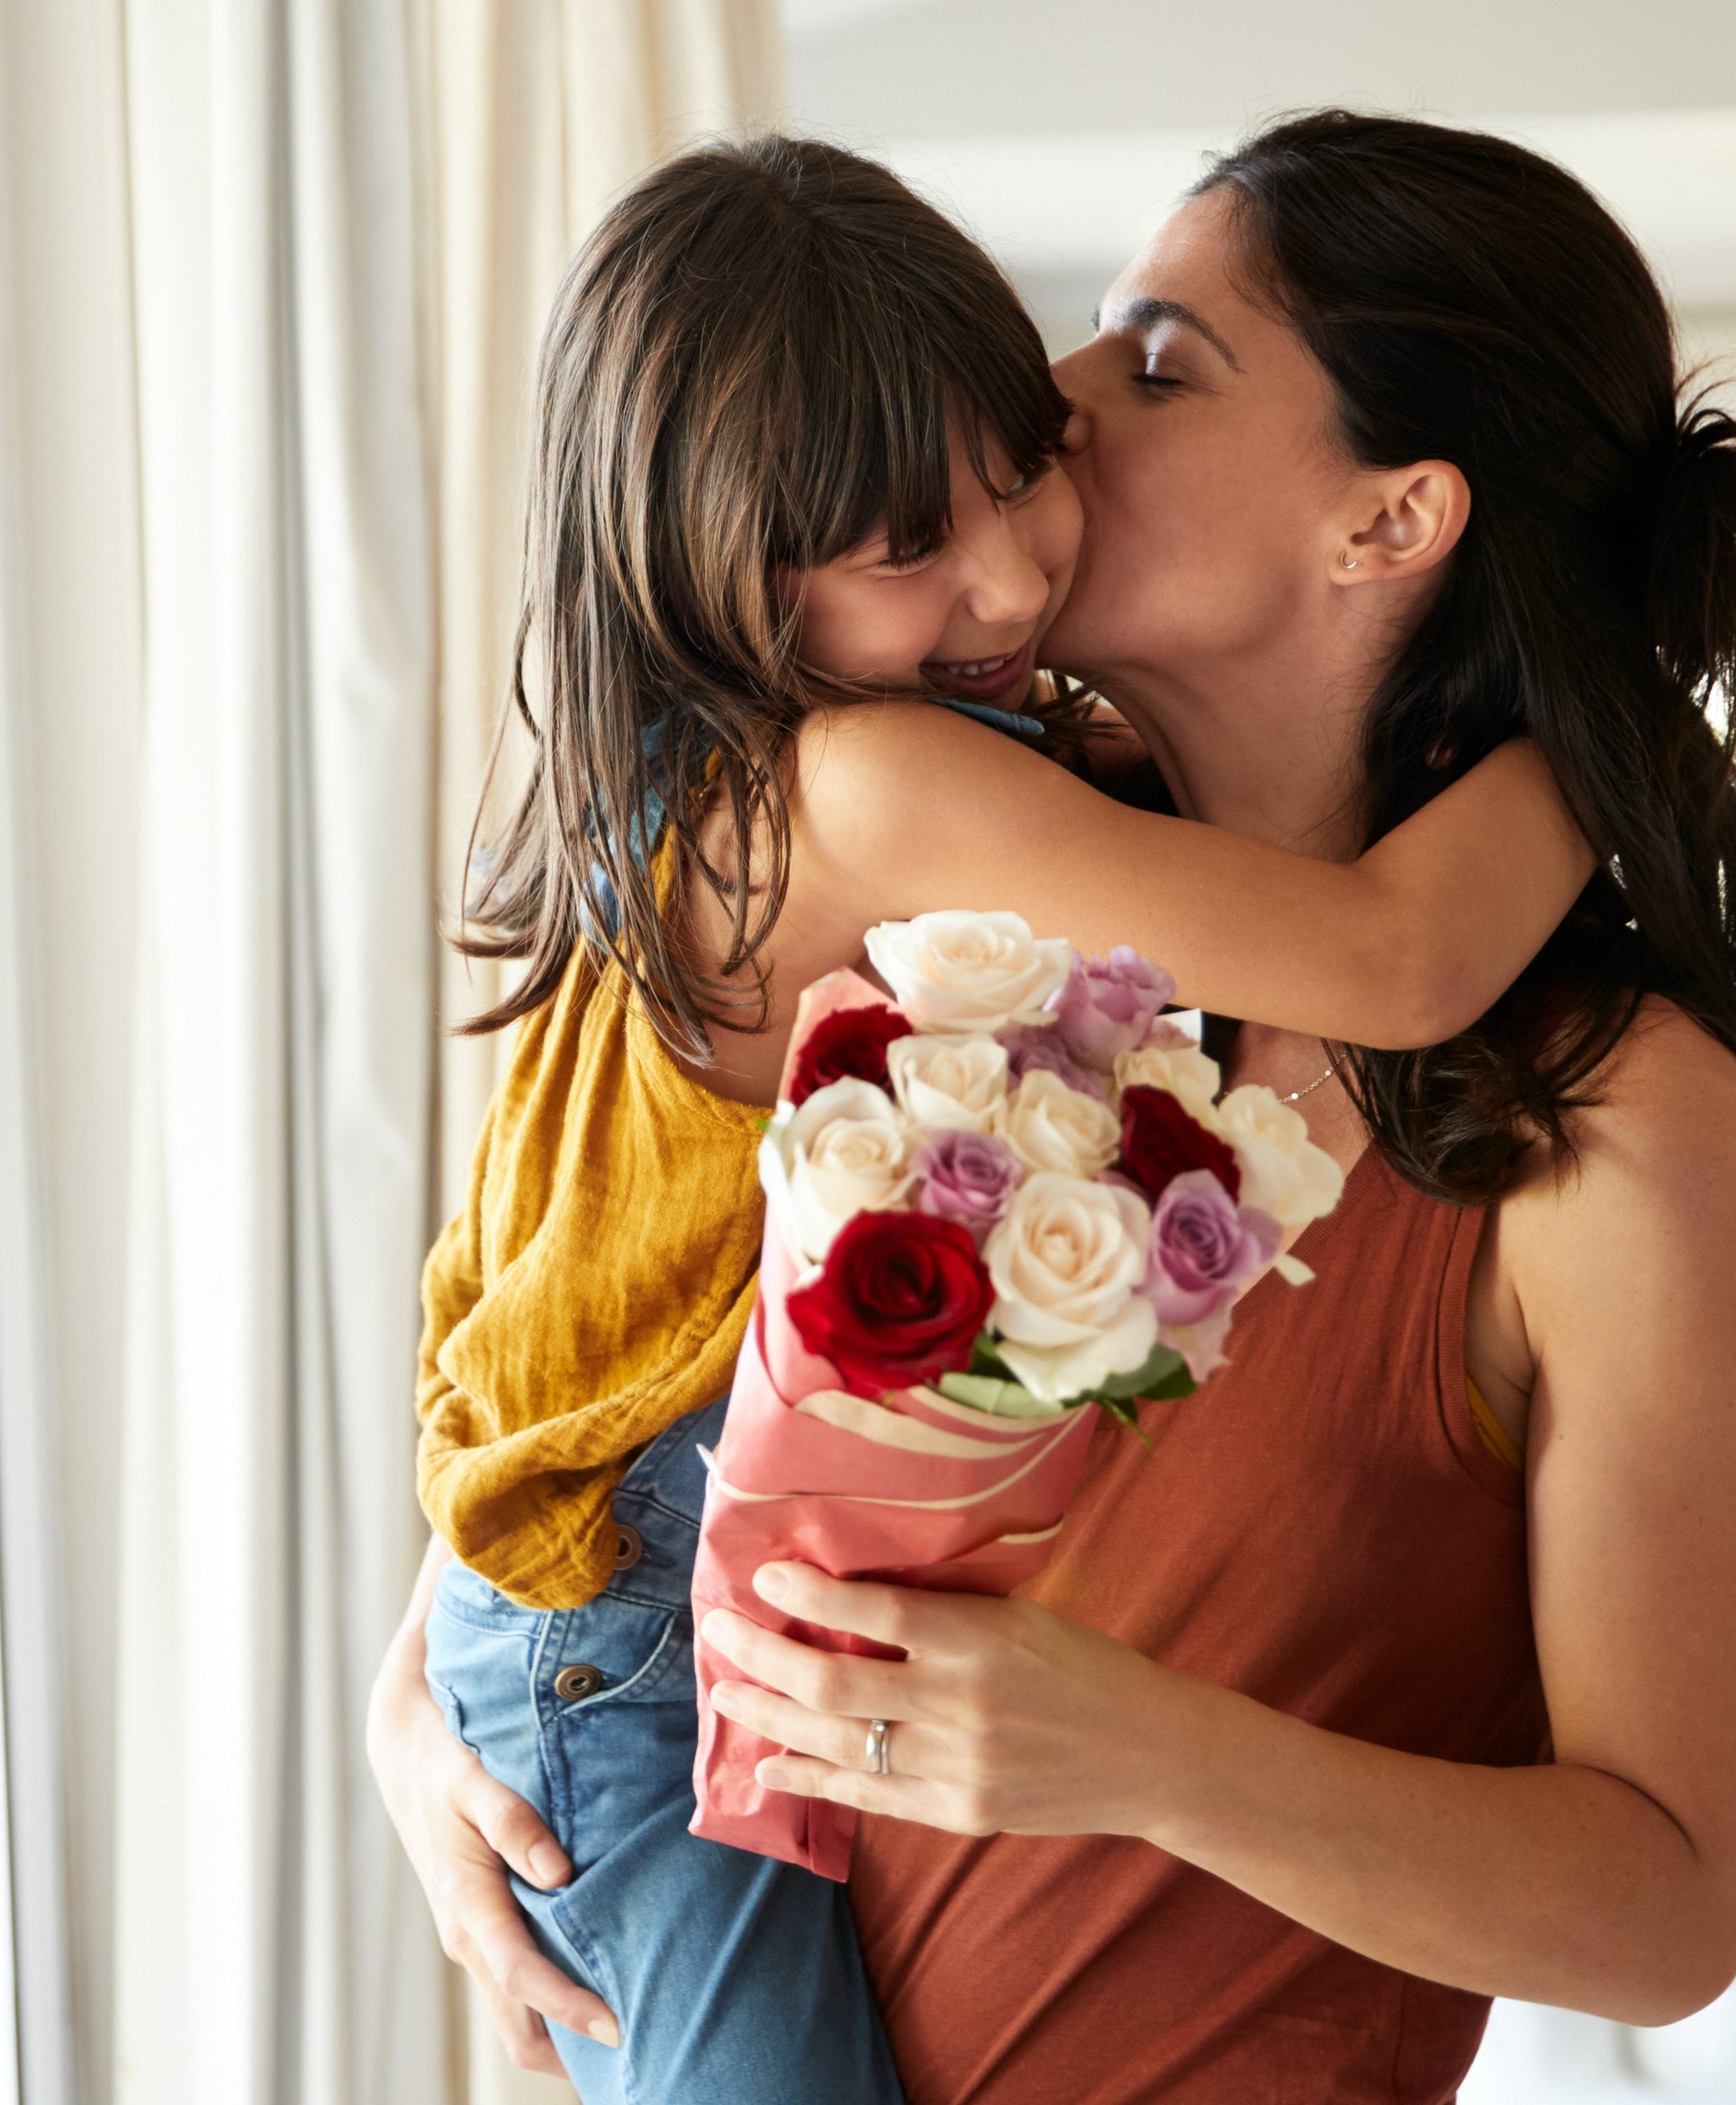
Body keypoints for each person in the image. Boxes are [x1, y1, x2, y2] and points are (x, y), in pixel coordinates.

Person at [374, 132, 1596, 2104]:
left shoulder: (773, 771)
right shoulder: (863, 787)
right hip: (620, 1623)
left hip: (609, 1568)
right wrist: (1630, 737)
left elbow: (538, 1298)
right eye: (906, 548)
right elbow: (1391, 958)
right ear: (723, 571)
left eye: (1016, 463)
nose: (1016, 569)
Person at [689, 112, 1736, 2100]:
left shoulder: (1625, 1135)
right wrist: (436, 1689)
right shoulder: (948, 939)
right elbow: (607, 1359)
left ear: (1388, 522)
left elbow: (1670, 1908)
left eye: (1155, 359)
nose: (1042, 402)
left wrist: (1142, 1752)